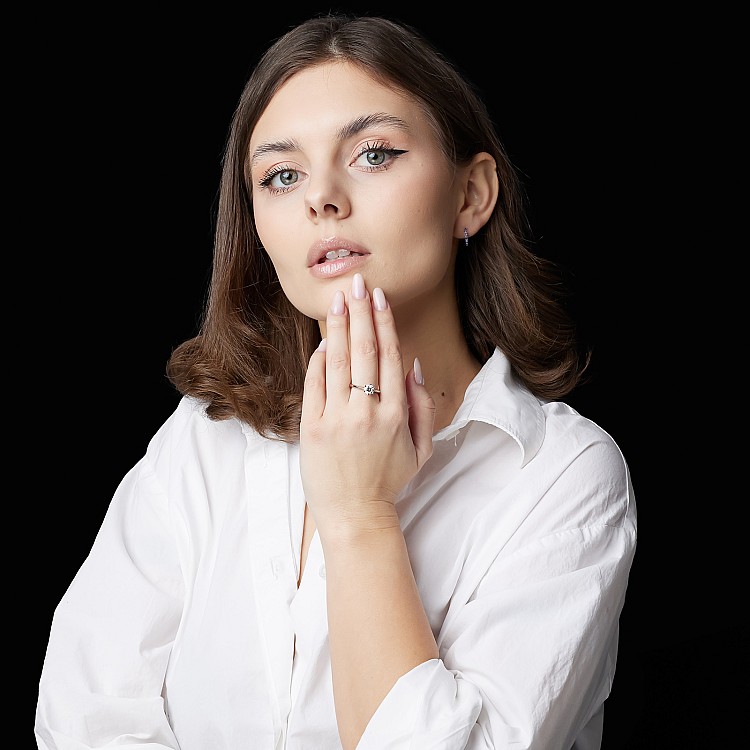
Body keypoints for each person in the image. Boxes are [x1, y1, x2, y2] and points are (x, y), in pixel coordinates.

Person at [35, 12, 637, 750]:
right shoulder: (207, 436)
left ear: (471, 196)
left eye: (374, 154)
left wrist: (358, 515)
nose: (321, 197)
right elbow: (84, 715)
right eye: (282, 175)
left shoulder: (562, 475)